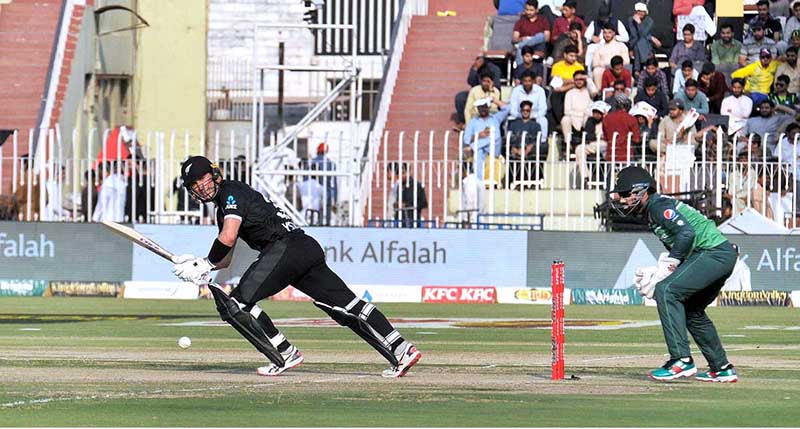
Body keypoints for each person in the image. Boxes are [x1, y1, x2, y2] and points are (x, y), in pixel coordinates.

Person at [173, 156, 422, 377]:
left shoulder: (231, 192)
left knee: (238, 304)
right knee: (345, 305)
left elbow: (227, 238)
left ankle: (285, 352)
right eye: (194, 185)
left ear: (215, 174)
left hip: (285, 248)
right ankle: (402, 349)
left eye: (203, 178)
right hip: (304, 247)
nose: (200, 186)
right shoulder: (225, 206)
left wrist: (204, 262)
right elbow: (225, 257)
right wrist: (200, 266)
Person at [612, 166, 739, 383]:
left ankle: (681, 360)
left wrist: (670, 265)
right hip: (717, 254)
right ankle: (721, 368)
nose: (622, 200)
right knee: (692, 311)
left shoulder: (658, 206)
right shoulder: (654, 210)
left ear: (641, 191)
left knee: (666, 291)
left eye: (625, 194)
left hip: (713, 253)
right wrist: (665, 265)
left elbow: (687, 233)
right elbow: (683, 242)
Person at [463, 97, 512, 177]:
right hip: (479, 150)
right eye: (480, 107)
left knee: (495, 136)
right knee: (478, 153)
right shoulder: (473, 122)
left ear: (488, 107)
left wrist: (494, 100)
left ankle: (474, 147)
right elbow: (466, 139)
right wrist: (479, 135)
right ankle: (479, 180)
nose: (483, 109)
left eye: (484, 106)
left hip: (493, 148)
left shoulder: (495, 118)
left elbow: (507, 108)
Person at [455, 56, 502, 127]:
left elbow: (496, 86)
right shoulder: (475, 67)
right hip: (476, 92)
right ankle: (463, 121)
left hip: (490, 94)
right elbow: (470, 81)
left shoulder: (494, 69)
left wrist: (487, 88)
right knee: (460, 97)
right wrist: (475, 68)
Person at [506, 100, 546, 181]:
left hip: (530, 151)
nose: (525, 112)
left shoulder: (536, 125)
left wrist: (528, 149)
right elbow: (510, 139)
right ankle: (513, 181)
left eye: (527, 110)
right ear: (521, 111)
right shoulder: (513, 125)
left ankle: (534, 180)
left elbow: (537, 139)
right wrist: (516, 150)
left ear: (530, 111)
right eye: (523, 110)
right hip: (516, 150)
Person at [574, 100, 611, 181]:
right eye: (594, 112)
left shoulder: (608, 120)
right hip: (593, 144)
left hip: (605, 145)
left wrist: (606, 119)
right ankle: (586, 177)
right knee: (579, 149)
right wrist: (598, 137)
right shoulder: (590, 121)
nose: (596, 115)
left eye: (599, 112)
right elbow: (588, 136)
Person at [591, 23, 630, 90]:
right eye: (605, 33)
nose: (607, 35)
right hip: (604, 70)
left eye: (609, 32)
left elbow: (626, 61)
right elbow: (595, 64)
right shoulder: (599, 48)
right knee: (596, 71)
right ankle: (600, 95)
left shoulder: (621, 46)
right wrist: (606, 65)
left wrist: (615, 65)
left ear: (614, 33)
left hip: (619, 69)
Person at [509, 70, 548, 137]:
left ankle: (542, 142)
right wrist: (523, 116)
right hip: (520, 115)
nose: (527, 83)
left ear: (533, 81)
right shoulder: (516, 90)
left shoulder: (540, 91)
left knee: (543, 121)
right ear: (522, 81)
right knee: (510, 119)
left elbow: (543, 109)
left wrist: (531, 117)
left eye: (529, 81)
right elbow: (512, 109)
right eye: (525, 81)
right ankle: (510, 142)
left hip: (535, 116)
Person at [561, 69, 594, 147]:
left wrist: (588, 78)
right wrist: (578, 115)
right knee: (565, 119)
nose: (579, 82)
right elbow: (567, 111)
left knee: (588, 117)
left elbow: (595, 91)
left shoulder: (589, 92)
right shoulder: (569, 93)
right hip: (573, 117)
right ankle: (568, 145)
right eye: (576, 80)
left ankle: (587, 143)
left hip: (586, 117)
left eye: (581, 79)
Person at [389, 163, 429, 227]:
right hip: (400, 222)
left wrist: (406, 205)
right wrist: (396, 205)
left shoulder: (417, 186)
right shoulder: (399, 187)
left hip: (413, 222)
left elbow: (424, 204)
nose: (401, 175)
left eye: (403, 173)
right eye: (398, 173)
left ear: (408, 172)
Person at [512, 0, 550, 65]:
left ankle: (520, 45)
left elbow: (547, 38)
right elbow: (514, 39)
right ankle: (521, 71)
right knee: (521, 50)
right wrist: (522, 39)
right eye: (527, 10)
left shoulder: (543, 20)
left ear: (536, 10)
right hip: (525, 47)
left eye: (531, 10)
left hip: (538, 46)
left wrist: (533, 39)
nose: (528, 12)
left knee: (541, 35)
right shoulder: (520, 22)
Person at [603, 94, 640, 162]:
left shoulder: (606, 118)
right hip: (627, 155)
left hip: (610, 154)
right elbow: (636, 139)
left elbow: (605, 138)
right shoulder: (631, 119)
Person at [626, 2, 661, 71]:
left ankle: (637, 70)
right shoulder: (631, 20)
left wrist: (639, 23)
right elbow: (634, 35)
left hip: (643, 44)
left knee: (639, 44)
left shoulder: (649, 21)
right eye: (639, 11)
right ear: (635, 11)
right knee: (639, 42)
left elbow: (643, 33)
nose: (641, 13)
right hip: (635, 42)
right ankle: (648, 61)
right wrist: (650, 37)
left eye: (643, 11)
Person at [310, 143, 338, 225]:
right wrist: (335, 198)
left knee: (314, 215)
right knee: (326, 216)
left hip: (313, 193)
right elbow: (334, 183)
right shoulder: (331, 164)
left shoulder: (312, 162)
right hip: (327, 192)